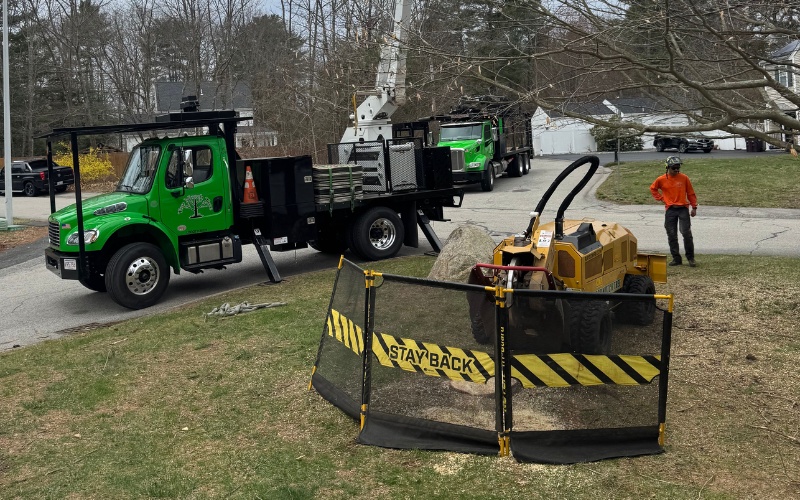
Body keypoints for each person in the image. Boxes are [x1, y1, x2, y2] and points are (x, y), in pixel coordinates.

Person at [650, 156, 698, 267]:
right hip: (670, 210)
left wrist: (694, 207)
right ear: (667, 167)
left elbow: (691, 193)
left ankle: (691, 258)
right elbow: (653, 188)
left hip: (683, 209)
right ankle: (676, 258)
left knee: (686, 233)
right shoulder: (661, 179)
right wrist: (661, 198)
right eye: (674, 168)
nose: (676, 170)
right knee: (671, 234)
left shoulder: (684, 178)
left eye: (678, 168)